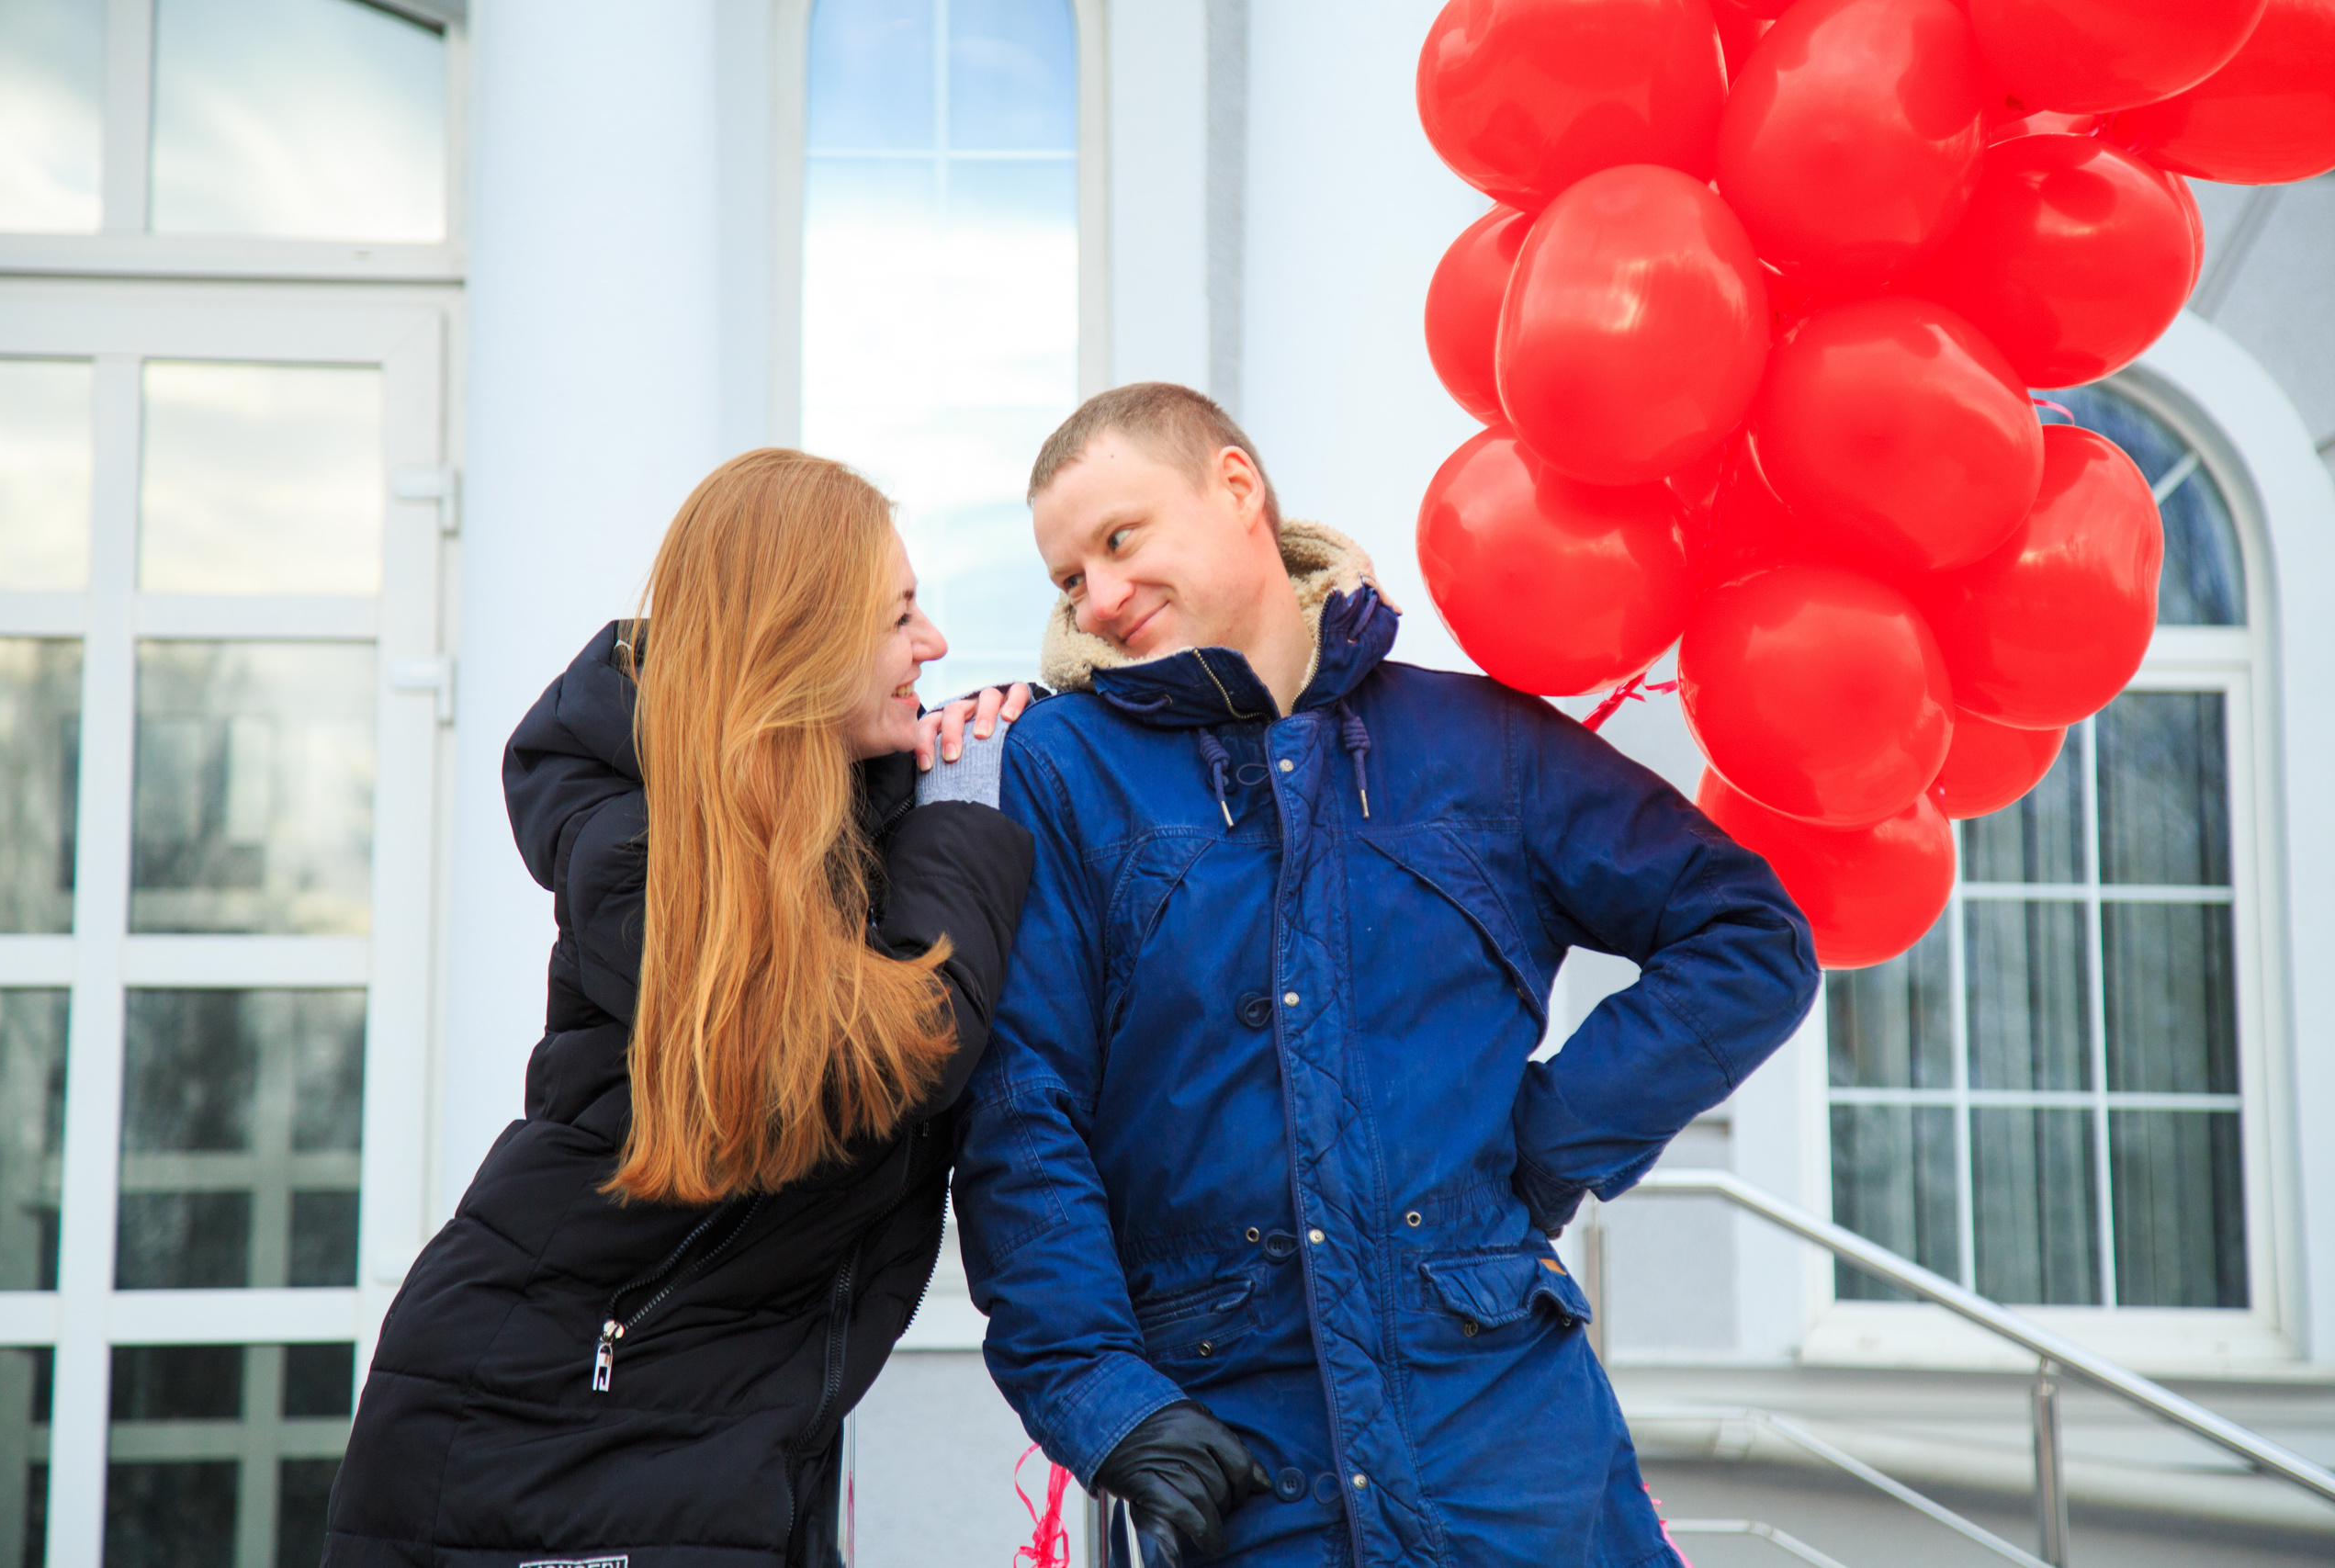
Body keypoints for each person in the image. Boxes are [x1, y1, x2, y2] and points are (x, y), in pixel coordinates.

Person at [951, 384, 1822, 1568]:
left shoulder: (1477, 744)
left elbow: (1747, 937)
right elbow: (1021, 1119)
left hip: (1507, 1445)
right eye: (1067, 581)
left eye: (1119, 540)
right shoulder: (1059, 770)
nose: (1099, 600)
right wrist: (1108, 1403)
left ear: (1235, 489)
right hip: (1239, 1456)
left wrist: (1546, 1141)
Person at [322, 449, 1036, 1567]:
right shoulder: (640, 846)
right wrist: (959, 824)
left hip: (713, 1429)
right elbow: (877, 1057)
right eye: (900, 616)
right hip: (539, 1429)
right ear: (797, 640)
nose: (933, 646)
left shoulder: (826, 827)